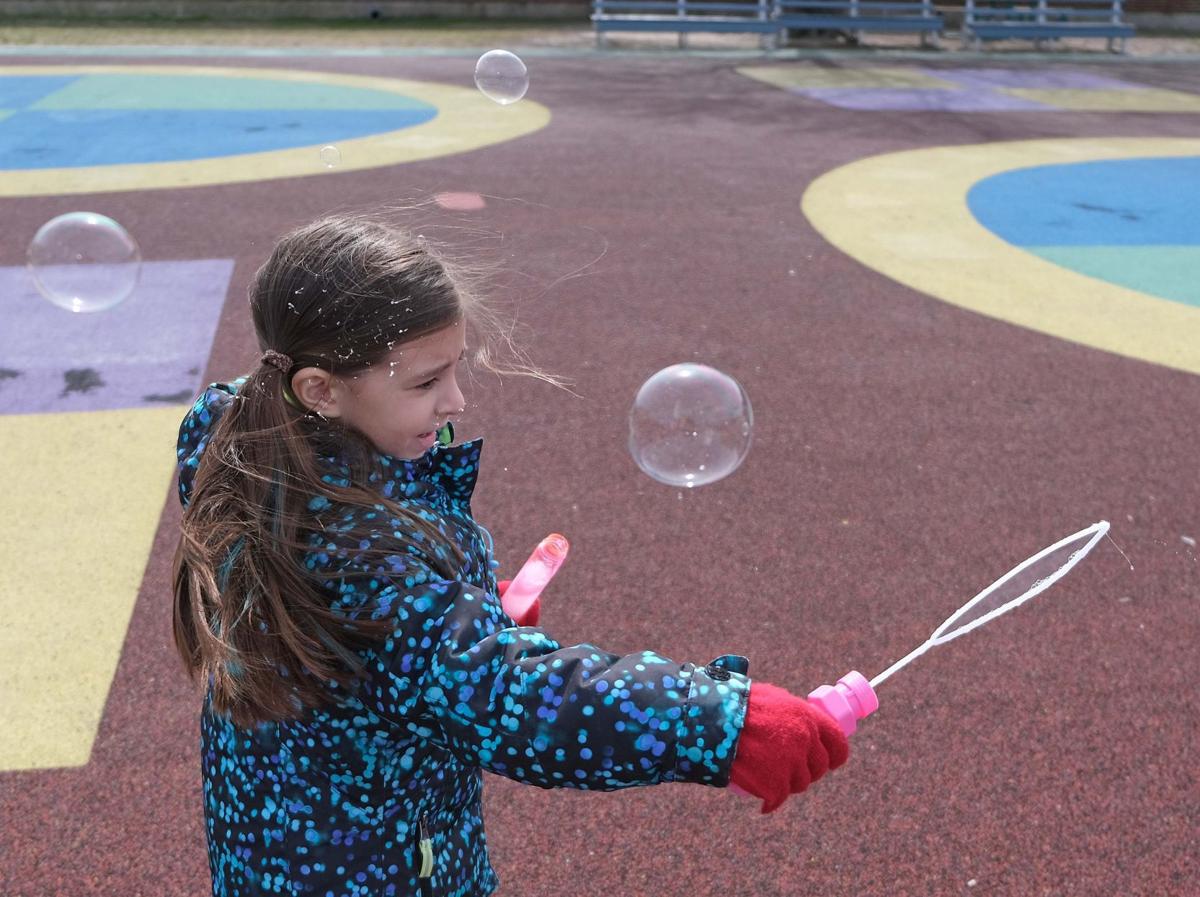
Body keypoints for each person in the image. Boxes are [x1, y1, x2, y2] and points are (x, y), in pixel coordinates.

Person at [172, 214, 849, 897]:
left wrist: (458, 604)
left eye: (455, 368)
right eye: (424, 382)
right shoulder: (360, 565)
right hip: (381, 874)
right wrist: (725, 724)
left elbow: (383, 639)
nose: (455, 399)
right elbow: (510, 694)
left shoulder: (243, 436)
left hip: (275, 848)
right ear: (321, 389)